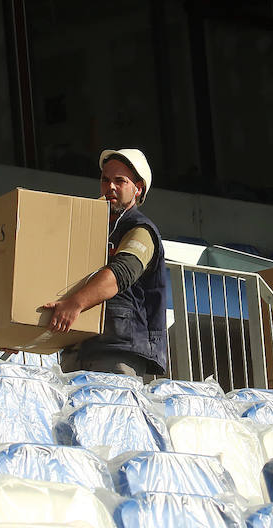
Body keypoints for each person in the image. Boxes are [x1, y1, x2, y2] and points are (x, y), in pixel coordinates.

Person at [41, 148, 168, 380]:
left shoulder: (140, 229)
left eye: (120, 181)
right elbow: (59, 284)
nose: (110, 187)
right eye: (105, 180)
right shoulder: (90, 228)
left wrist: (76, 303)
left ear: (138, 188)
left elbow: (122, 272)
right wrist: (22, 335)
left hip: (117, 351)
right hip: (77, 349)